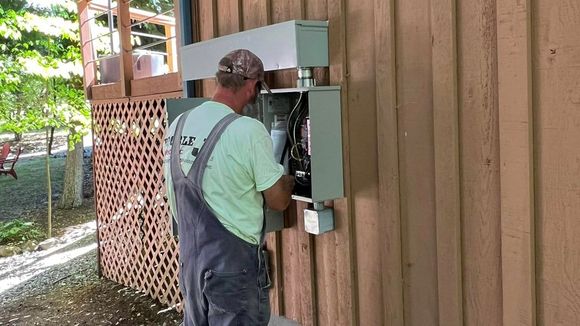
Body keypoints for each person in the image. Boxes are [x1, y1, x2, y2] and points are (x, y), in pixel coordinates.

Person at [163, 49, 294, 326]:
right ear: (251, 86)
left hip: (191, 265)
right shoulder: (247, 130)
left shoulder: (177, 124)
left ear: (219, 79)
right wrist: (288, 178)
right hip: (234, 272)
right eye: (257, 89)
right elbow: (278, 201)